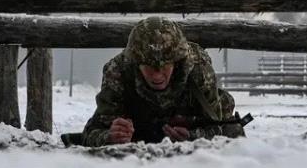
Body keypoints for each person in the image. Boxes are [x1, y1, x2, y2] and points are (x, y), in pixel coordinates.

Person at [81, 16, 244, 146]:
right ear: (136, 63)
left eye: (164, 65)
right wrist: (110, 136)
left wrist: (193, 136)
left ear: (177, 61)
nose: (157, 75)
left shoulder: (198, 71)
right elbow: (91, 133)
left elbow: (225, 129)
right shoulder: (118, 73)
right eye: (149, 66)